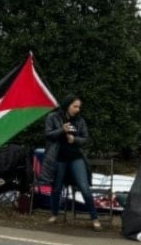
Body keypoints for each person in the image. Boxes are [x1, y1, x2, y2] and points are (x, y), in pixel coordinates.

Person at [40, 95, 101, 231]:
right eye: (75, 106)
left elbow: (85, 139)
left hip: (75, 157)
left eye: (79, 107)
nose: (77, 109)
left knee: (84, 187)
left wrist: (74, 139)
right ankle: (54, 215)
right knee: (56, 187)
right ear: (67, 105)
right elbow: (48, 135)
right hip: (58, 157)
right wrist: (62, 130)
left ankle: (95, 218)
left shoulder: (80, 121)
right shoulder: (53, 117)